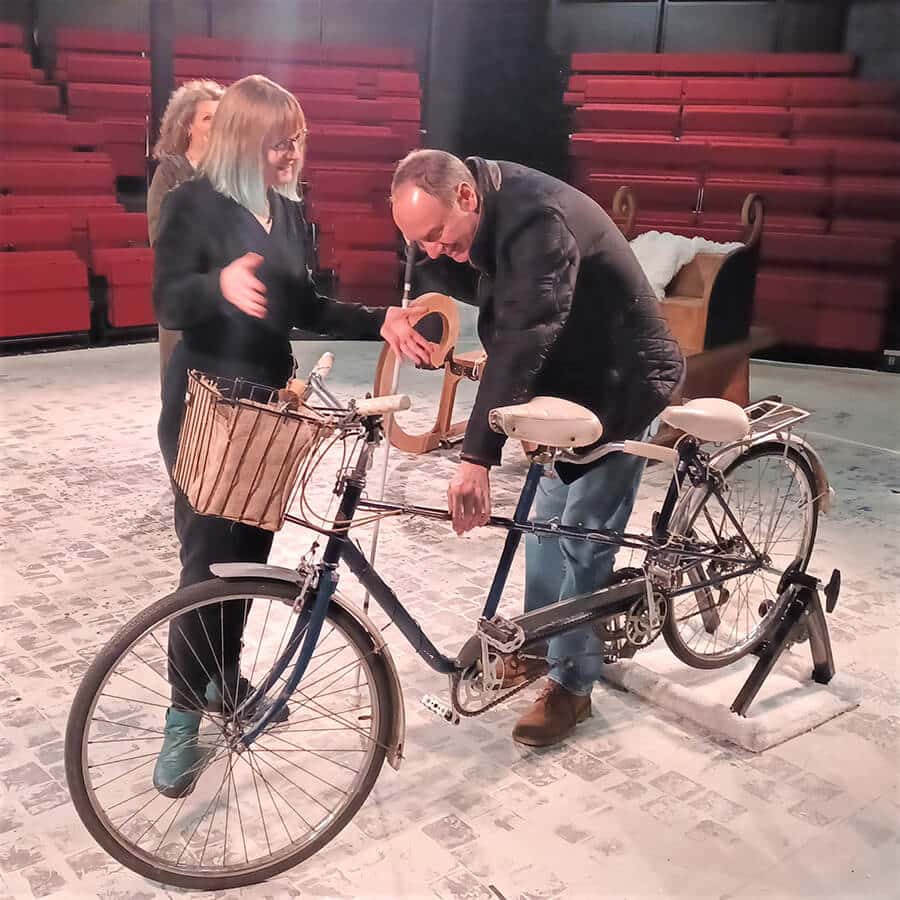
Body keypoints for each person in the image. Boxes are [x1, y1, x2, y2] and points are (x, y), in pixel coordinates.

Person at [152, 75, 433, 797]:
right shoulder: (192, 204)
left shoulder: (285, 212)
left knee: (248, 559)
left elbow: (304, 303)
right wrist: (216, 287)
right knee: (207, 568)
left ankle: (223, 679)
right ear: (246, 139)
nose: (293, 153)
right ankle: (183, 716)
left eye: (298, 139)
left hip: (269, 402)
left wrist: (383, 320)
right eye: (281, 142)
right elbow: (164, 300)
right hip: (208, 400)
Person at [390, 149, 685, 747]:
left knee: (581, 532)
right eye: (417, 241)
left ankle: (574, 686)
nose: (429, 252)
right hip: (568, 385)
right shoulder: (473, 207)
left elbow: (522, 338)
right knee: (542, 523)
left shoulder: (536, 221)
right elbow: (446, 270)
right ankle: (539, 639)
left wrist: (476, 459)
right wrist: (398, 313)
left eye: (437, 236)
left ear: (466, 197)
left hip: (621, 383)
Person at [147, 79, 225, 382]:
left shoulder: (230, 174)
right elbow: (160, 235)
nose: (216, 126)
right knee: (182, 391)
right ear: (188, 126)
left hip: (224, 298)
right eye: (207, 118)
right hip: (183, 294)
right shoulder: (169, 173)